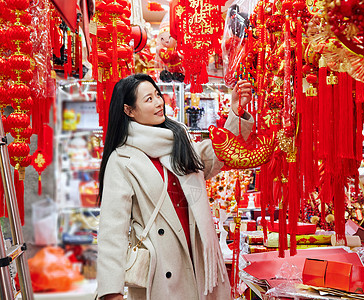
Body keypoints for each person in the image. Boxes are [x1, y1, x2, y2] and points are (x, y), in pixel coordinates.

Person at [96, 73, 254, 300]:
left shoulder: (179, 141)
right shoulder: (122, 160)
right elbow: (112, 233)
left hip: (200, 259)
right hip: (160, 270)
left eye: (157, 95)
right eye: (148, 99)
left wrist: (236, 113)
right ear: (129, 110)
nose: (159, 103)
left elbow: (218, 154)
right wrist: (112, 293)